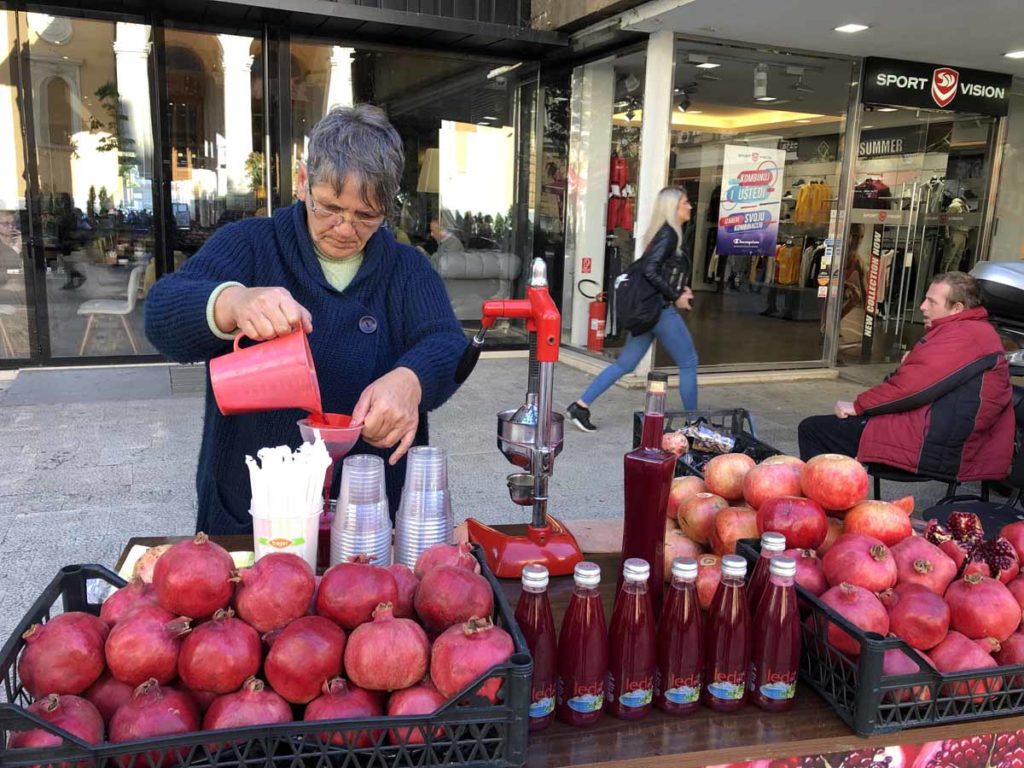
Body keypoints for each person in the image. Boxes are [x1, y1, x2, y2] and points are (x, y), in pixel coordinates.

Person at [145, 105, 467, 536]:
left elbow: (447, 342)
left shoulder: (406, 267)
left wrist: (412, 379)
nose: (345, 228)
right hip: (251, 504)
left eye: (366, 215)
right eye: (329, 207)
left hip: (368, 508)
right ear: (302, 183)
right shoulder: (251, 244)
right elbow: (161, 312)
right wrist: (231, 302)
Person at [798, 271, 1014, 482]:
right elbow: (916, 380)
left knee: (813, 430)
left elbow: (911, 388)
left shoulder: (966, 335)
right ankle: (841, 496)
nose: (922, 306)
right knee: (832, 431)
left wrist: (858, 405)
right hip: (936, 430)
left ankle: (828, 503)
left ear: (956, 308)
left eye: (931, 302)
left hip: (936, 444)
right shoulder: (969, 330)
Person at [566, 186, 698, 433]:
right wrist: (675, 295)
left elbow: (661, 269)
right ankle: (693, 424)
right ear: (672, 207)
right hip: (659, 310)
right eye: (685, 202)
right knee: (689, 362)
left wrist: (682, 288)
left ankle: (580, 406)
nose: (690, 206)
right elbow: (650, 270)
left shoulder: (667, 234)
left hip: (647, 311)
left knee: (625, 364)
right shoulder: (668, 235)